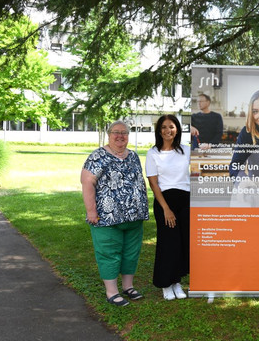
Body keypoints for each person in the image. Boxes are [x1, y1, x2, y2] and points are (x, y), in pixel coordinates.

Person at [81, 121, 149, 307]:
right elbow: (87, 183)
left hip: (134, 217)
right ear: (109, 134)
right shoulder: (97, 156)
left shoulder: (133, 156)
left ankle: (128, 287)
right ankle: (112, 292)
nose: (120, 136)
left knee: (131, 253)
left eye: (124, 133)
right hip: (107, 218)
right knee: (109, 253)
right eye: (116, 132)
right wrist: (91, 211)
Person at [146, 114, 190, 300]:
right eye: (164, 127)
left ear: (177, 129)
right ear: (159, 131)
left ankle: (177, 282)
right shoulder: (153, 153)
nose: (167, 130)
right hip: (165, 202)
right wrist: (166, 209)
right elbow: (154, 184)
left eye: (171, 126)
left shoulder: (186, 150)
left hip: (186, 201)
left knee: (182, 243)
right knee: (168, 243)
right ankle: (165, 284)